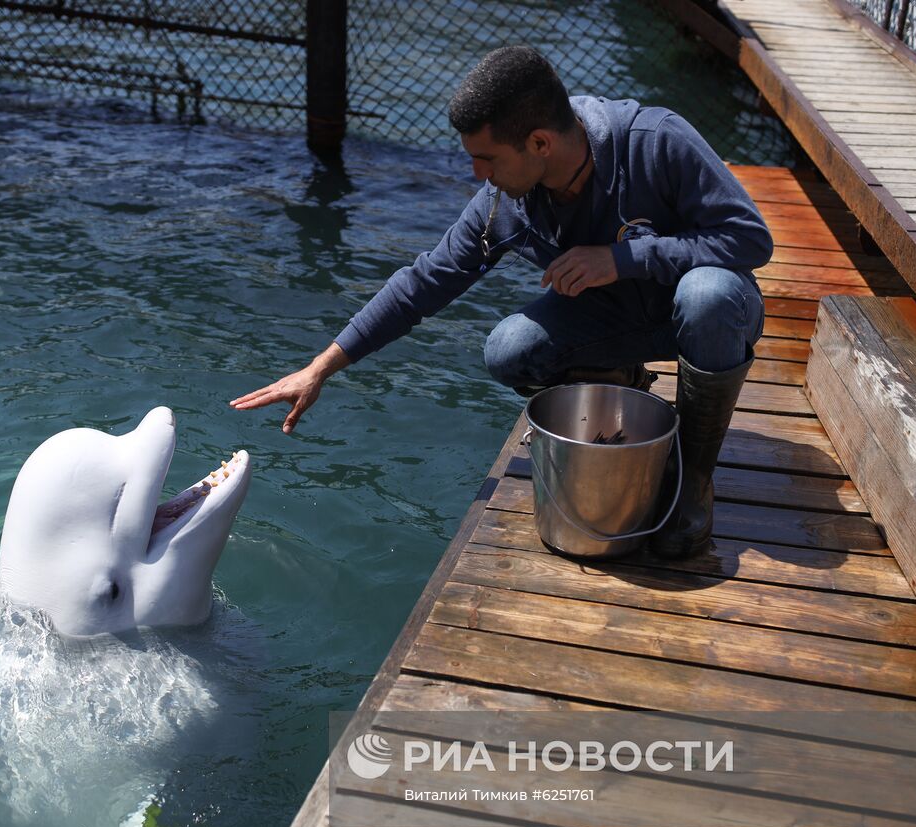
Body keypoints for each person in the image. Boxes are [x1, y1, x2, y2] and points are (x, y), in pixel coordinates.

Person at [230, 45, 773, 559]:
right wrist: (321, 368)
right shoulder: (504, 203)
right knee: (510, 349)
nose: (477, 175)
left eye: (486, 159)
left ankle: (693, 480)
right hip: (619, 321)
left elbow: (751, 239)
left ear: (540, 143)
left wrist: (623, 259)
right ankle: (619, 382)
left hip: (709, 313)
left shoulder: (655, 140)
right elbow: (424, 282)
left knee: (709, 296)